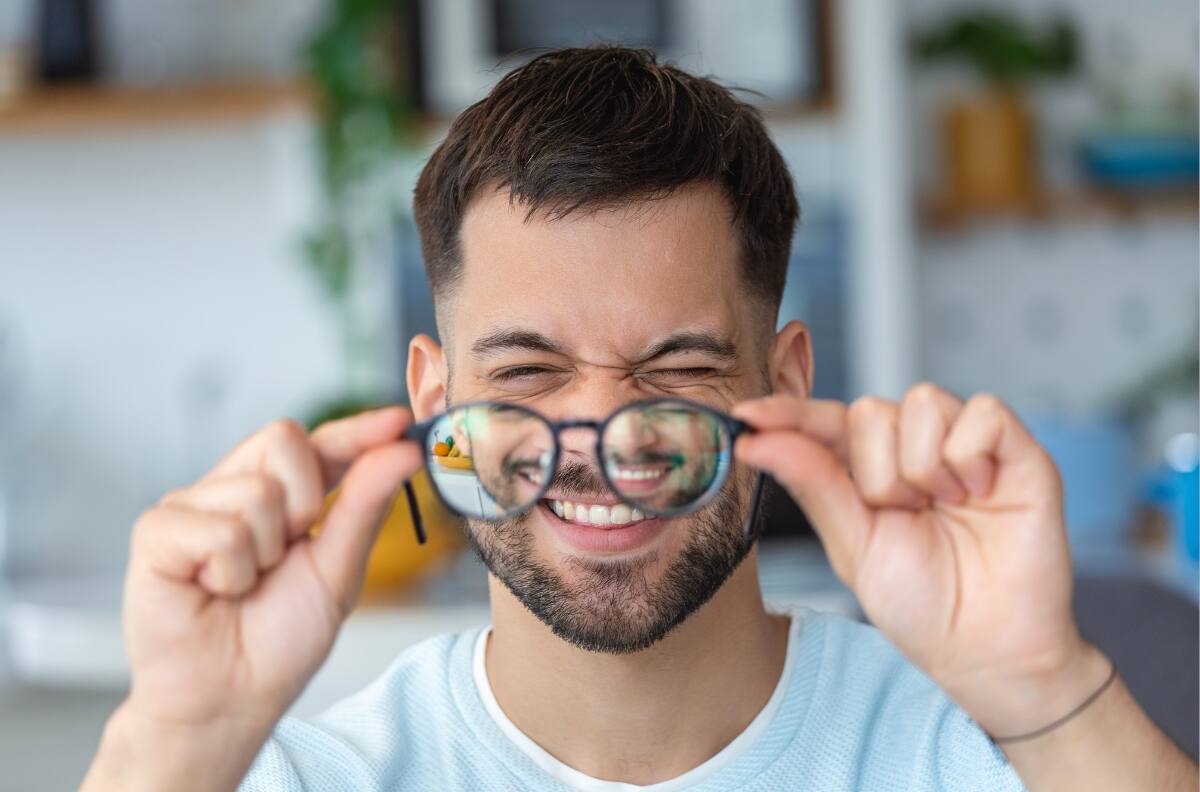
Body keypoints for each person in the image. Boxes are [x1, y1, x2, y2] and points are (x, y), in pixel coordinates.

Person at [82, 46, 1197, 791]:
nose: (607, 438)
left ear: (786, 385)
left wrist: (1044, 692)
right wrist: (168, 746)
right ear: (433, 402)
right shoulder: (288, 776)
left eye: (677, 368)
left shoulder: (983, 752)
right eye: (526, 371)